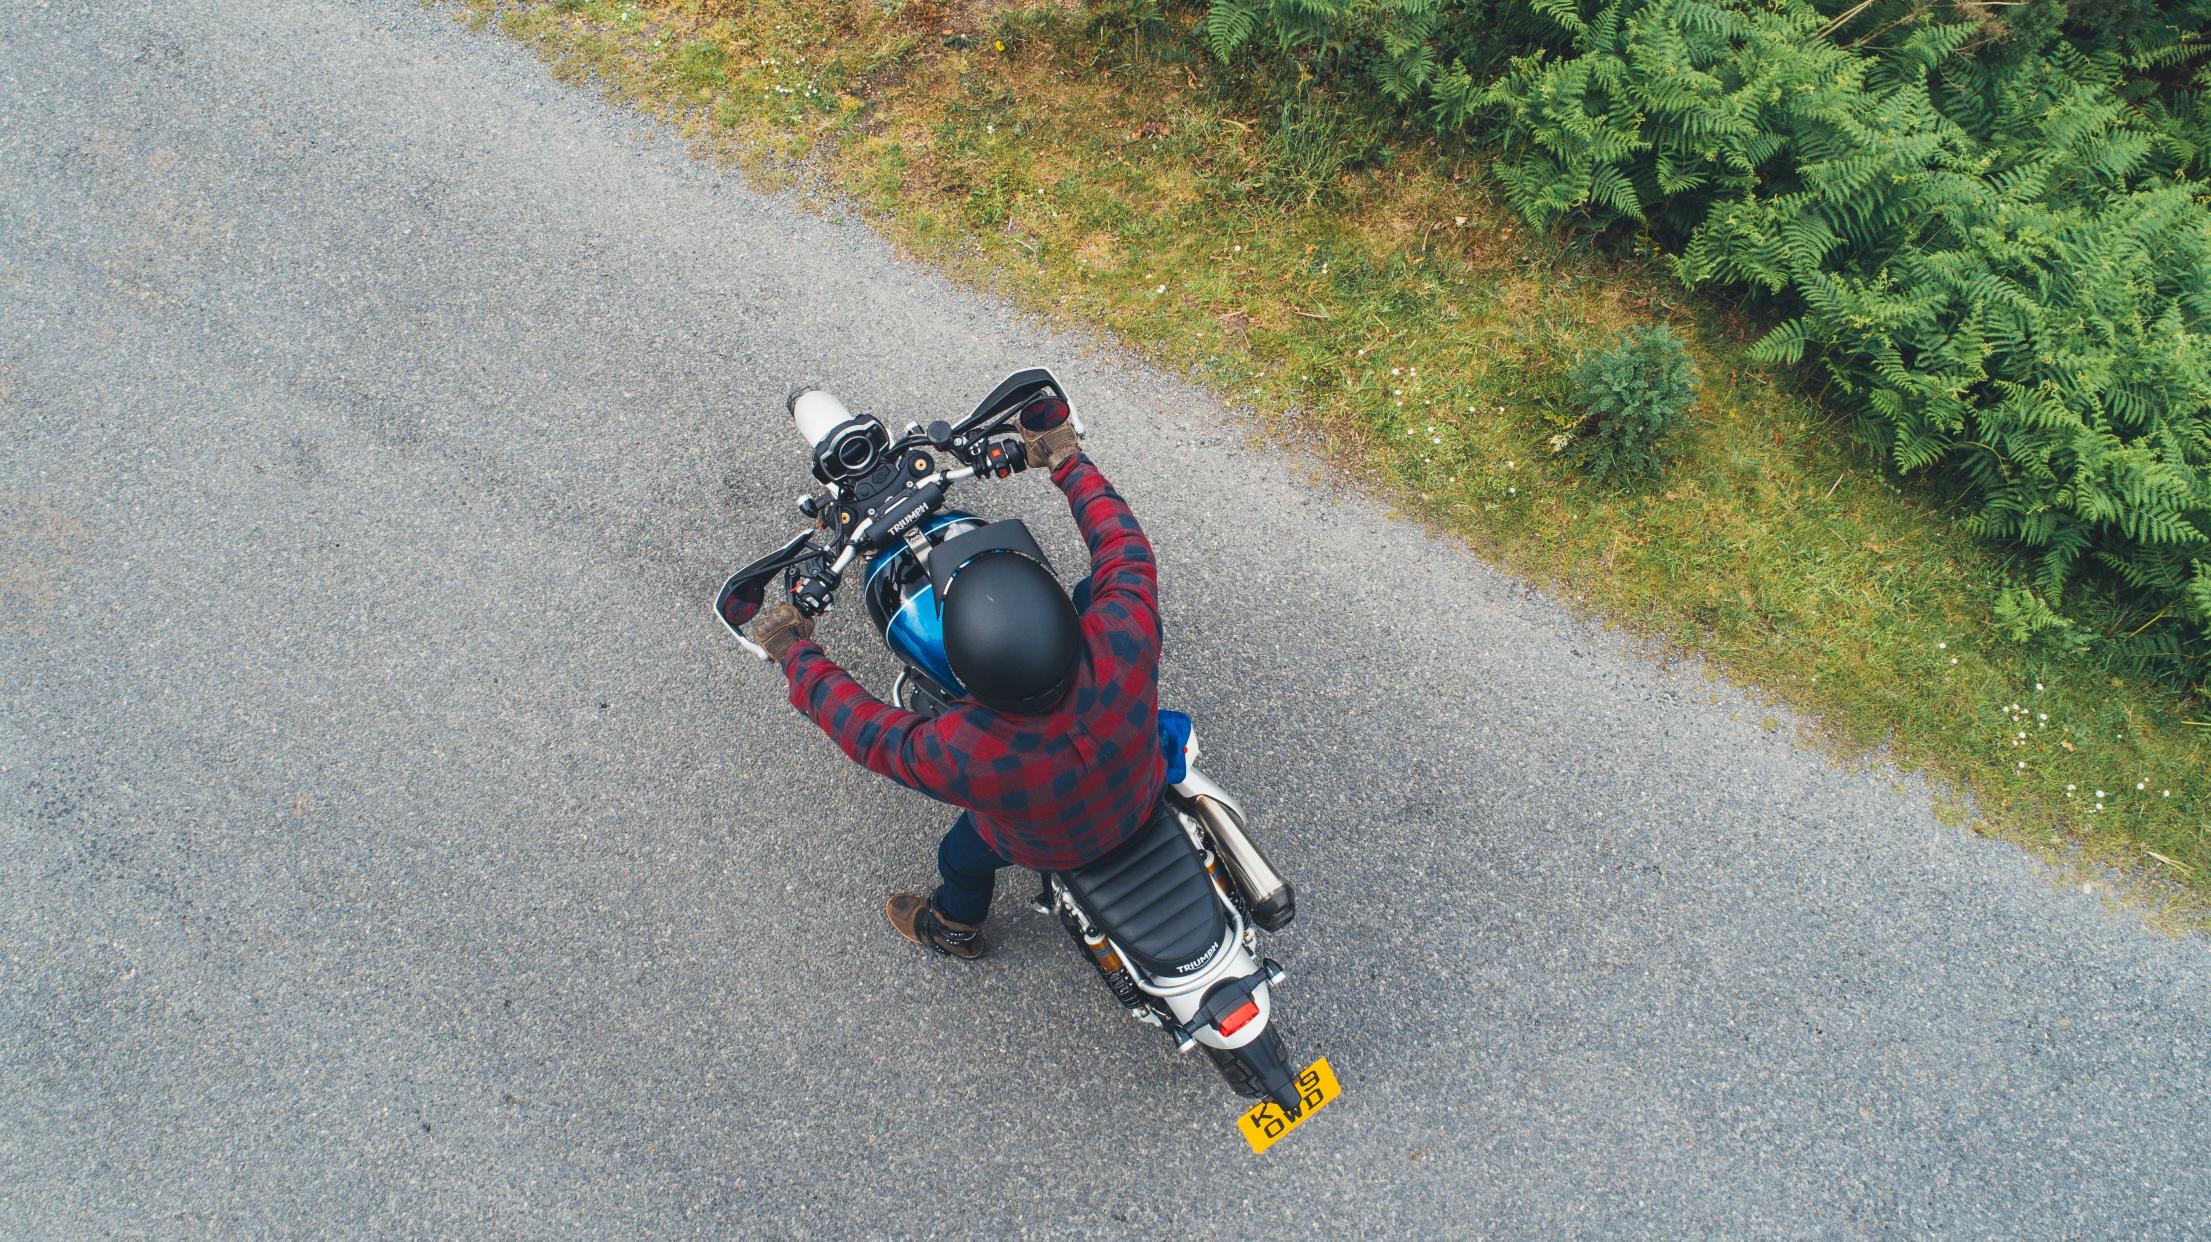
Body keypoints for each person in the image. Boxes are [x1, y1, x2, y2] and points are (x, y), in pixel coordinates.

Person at [746, 399, 1163, 959]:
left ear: (965, 673)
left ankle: (956, 929)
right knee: (1100, 588)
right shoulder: (1124, 641)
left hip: (1050, 846)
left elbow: (866, 731)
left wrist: (795, 650)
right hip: (1139, 787)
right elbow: (1124, 551)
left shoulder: (967, 751)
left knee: (959, 859)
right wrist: (1066, 460)